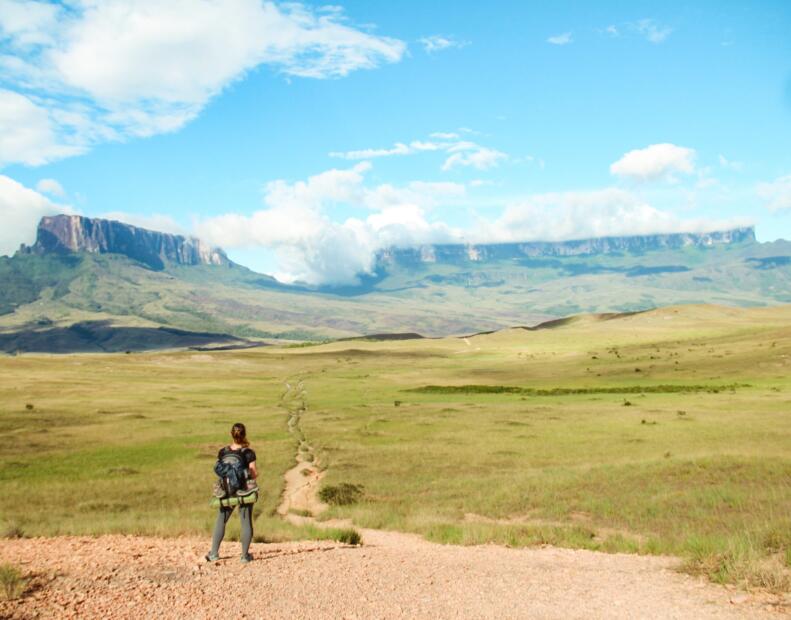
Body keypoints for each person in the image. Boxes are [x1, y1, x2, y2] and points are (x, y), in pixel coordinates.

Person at [206, 423, 258, 563]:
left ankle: (214, 553)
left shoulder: (223, 451)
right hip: (243, 491)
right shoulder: (248, 453)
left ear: (232, 435)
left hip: (226, 490)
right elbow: (253, 473)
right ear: (244, 435)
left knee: (221, 519)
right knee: (245, 521)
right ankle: (244, 556)